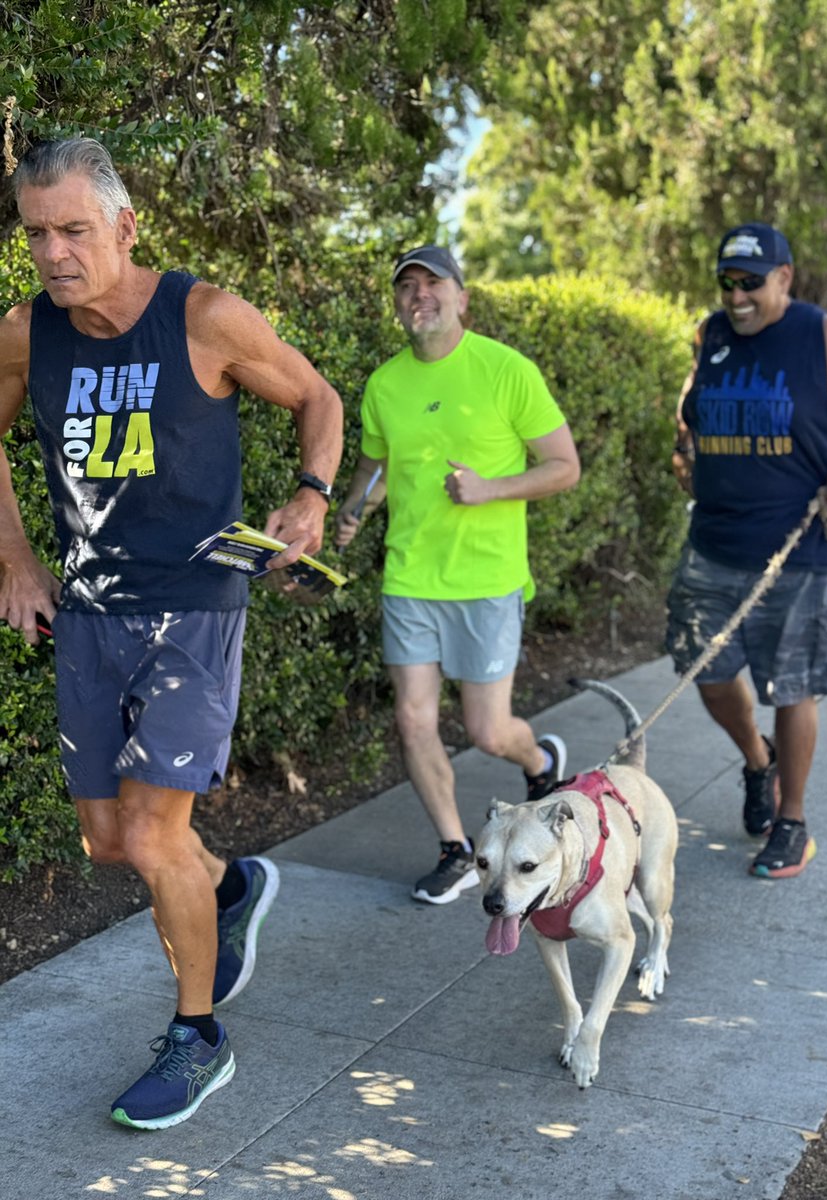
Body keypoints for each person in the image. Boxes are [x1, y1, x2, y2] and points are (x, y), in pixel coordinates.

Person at [0, 138, 343, 1127]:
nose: (56, 253)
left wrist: (312, 497)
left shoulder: (200, 318)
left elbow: (316, 394)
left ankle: (197, 1037)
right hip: (91, 610)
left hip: (197, 603)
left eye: (74, 229)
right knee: (111, 842)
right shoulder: (28, 333)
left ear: (124, 225)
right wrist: (17, 561)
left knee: (155, 835)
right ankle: (230, 888)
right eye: (36, 235)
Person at [335, 244, 581, 903]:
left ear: (462, 297)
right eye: (406, 286)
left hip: (487, 581)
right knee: (413, 720)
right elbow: (378, 467)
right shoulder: (386, 385)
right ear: (396, 304)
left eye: (433, 283)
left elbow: (564, 466)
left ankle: (540, 761)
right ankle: (454, 850)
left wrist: (492, 488)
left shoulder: (506, 371)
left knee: (487, 732)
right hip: (410, 580)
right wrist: (354, 510)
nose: (420, 294)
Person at [667, 222, 827, 878]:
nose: (738, 295)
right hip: (713, 543)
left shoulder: (822, 337)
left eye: (753, 282)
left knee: (794, 688)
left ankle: (791, 821)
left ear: (785, 278)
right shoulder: (710, 332)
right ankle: (757, 761)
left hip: (801, 548)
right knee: (704, 673)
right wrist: (683, 444)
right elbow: (692, 401)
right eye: (728, 282)